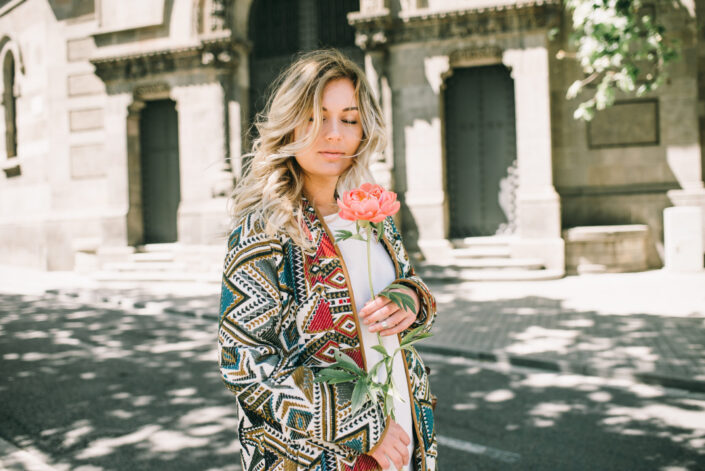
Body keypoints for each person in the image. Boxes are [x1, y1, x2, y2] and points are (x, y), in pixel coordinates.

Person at [217, 48, 438, 471]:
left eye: (349, 119)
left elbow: (412, 290)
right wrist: (364, 427)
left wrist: (409, 299)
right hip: (316, 457)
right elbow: (244, 363)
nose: (334, 133)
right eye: (317, 117)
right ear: (289, 125)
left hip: (407, 436)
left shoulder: (371, 212)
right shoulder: (263, 231)